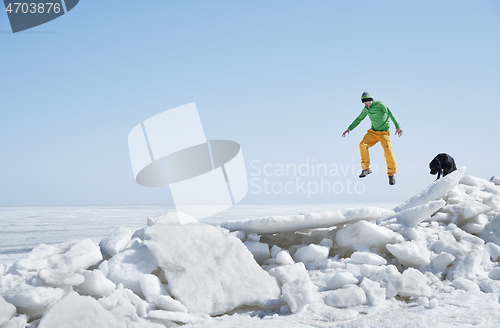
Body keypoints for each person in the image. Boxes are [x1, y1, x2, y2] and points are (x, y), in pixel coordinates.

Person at [342, 92, 403, 185]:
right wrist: (349, 128)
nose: (366, 104)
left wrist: (397, 126)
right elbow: (359, 119)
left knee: (388, 151)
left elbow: (390, 113)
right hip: (373, 132)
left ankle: (391, 175)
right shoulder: (366, 109)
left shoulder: (380, 104)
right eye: (364, 103)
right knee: (362, 145)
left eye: (367, 102)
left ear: (371, 100)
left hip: (384, 133)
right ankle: (366, 169)